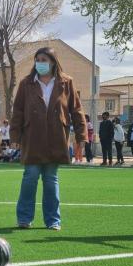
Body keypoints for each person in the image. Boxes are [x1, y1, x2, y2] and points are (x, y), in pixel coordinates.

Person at [10, 47, 86, 231]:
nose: (40, 63)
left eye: (44, 59)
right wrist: (15, 136)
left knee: (51, 178)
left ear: (53, 61)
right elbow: (18, 111)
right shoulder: (26, 83)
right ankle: (24, 219)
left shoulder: (66, 83)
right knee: (31, 176)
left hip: (56, 138)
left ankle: (53, 220)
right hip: (32, 138)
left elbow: (76, 110)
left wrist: (81, 136)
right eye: (37, 59)